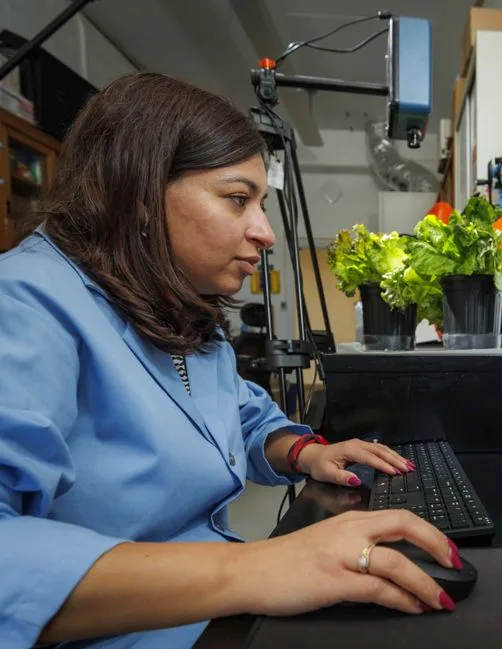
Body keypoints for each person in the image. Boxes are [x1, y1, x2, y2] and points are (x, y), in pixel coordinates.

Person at [0, 73, 462, 649]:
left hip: (217, 609)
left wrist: (305, 451)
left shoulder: (179, 311)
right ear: (139, 195)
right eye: (237, 199)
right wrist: (262, 569)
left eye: (262, 204)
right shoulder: (26, 302)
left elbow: (240, 420)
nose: (265, 232)